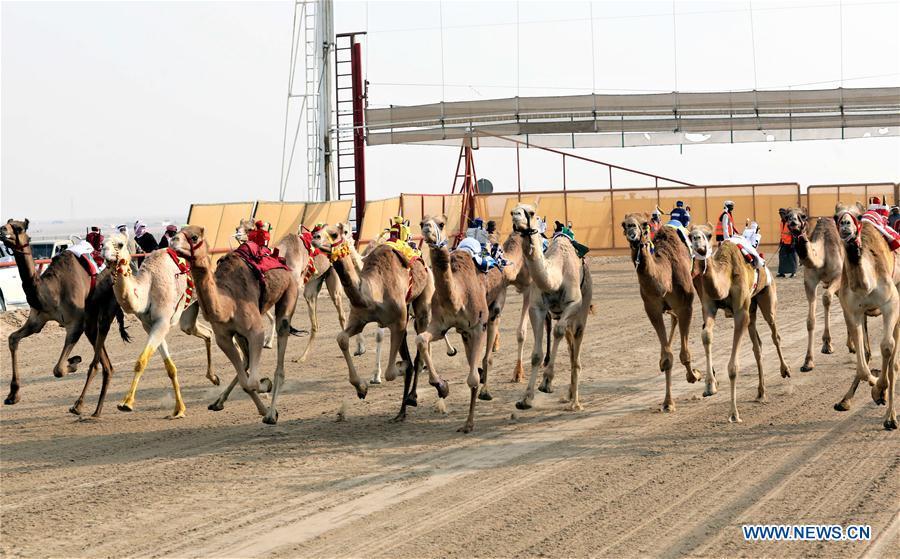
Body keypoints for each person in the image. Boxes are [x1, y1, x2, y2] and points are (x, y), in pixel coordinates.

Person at [777, 208, 798, 278]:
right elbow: (782, 233)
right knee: (781, 256)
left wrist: (793, 242)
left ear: (785, 214)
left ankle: (793, 272)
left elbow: (794, 233)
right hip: (784, 242)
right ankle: (781, 272)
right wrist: (781, 241)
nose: (780, 215)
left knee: (792, 258)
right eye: (780, 214)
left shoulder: (790, 222)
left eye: (782, 214)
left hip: (791, 243)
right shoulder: (781, 222)